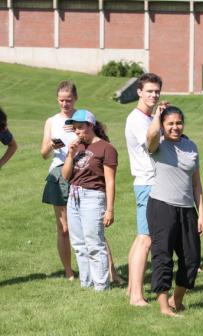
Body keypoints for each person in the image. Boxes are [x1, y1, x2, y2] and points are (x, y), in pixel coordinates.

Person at [41, 82, 123, 283]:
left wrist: (109, 208)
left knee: (93, 231)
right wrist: (56, 147)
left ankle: (109, 275)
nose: (64, 103)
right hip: (65, 174)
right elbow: (44, 154)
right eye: (61, 100)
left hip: (88, 179)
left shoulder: (88, 127)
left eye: (68, 100)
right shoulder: (53, 122)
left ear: (76, 98)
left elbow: (106, 172)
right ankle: (74, 275)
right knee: (68, 230)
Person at [146, 106, 203, 318]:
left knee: (192, 257)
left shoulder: (191, 146)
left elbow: (196, 183)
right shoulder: (157, 145)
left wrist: (201, 215)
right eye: (170, 123)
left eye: (178, 123)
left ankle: (176, 299)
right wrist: (156, 115)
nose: (175, 127)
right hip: (161, 206)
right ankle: (164, 308)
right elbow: (151, 133)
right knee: (163, 256)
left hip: (187, 209)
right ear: (163, 125)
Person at [61, 110, 118, 291]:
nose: (77, 132)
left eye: (80, 128)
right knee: (79, 244)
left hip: (93, 197)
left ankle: (101, 286)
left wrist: (109, 209)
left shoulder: (106, 149)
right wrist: (70, 155)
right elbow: (65, 175)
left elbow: (109, 181)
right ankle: (86, 284)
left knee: (94, 243)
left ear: (91, 126)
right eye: (75, 129)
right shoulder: (75, 146)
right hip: (73, 197)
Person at [125, 73, 163, 305]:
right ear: (139, 92)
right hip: (148, 182)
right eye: (149, 91)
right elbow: (152, 144)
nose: (153, 95)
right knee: (146, 240)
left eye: (157, 91)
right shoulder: (139, 118)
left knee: (141, 238)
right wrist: (159, 118)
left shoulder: (148, 117)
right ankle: (137, 296)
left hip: (150, 181)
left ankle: (132, 288)